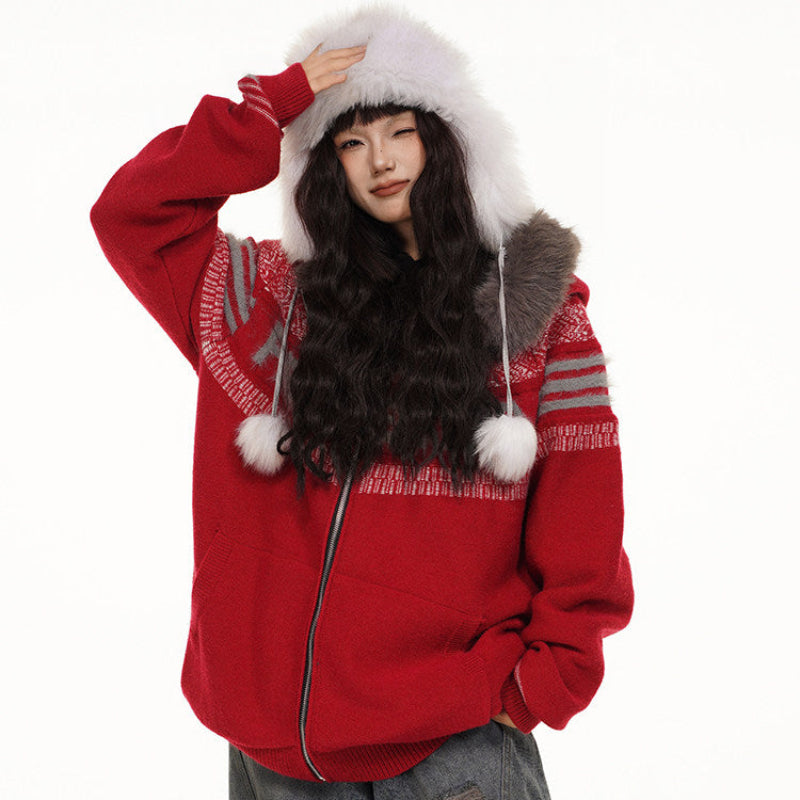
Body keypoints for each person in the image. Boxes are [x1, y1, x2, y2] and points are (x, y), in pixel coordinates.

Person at [91, 7, 633, 799]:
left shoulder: (535, 319)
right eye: (350, 140)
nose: (380, 159)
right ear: (324, 166)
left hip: (448, 755)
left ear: (447, 141)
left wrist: (544, 684)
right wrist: (269, 108)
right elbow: (133, 215)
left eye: (401, 131)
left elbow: (586, 520)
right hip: (274, 760)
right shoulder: (264, 304)